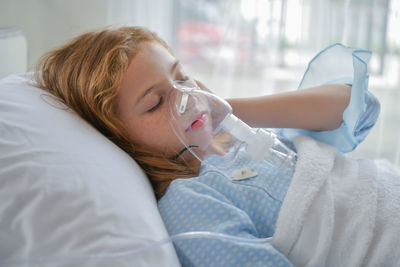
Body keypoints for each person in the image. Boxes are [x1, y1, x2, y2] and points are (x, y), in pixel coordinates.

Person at [35, 26, 397, 266]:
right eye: (155, 102)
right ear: (118, 140)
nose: (185, 97)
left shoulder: (246, 142)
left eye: (181, 77)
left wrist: (223, 110)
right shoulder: (189, 205)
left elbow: (357, 108)